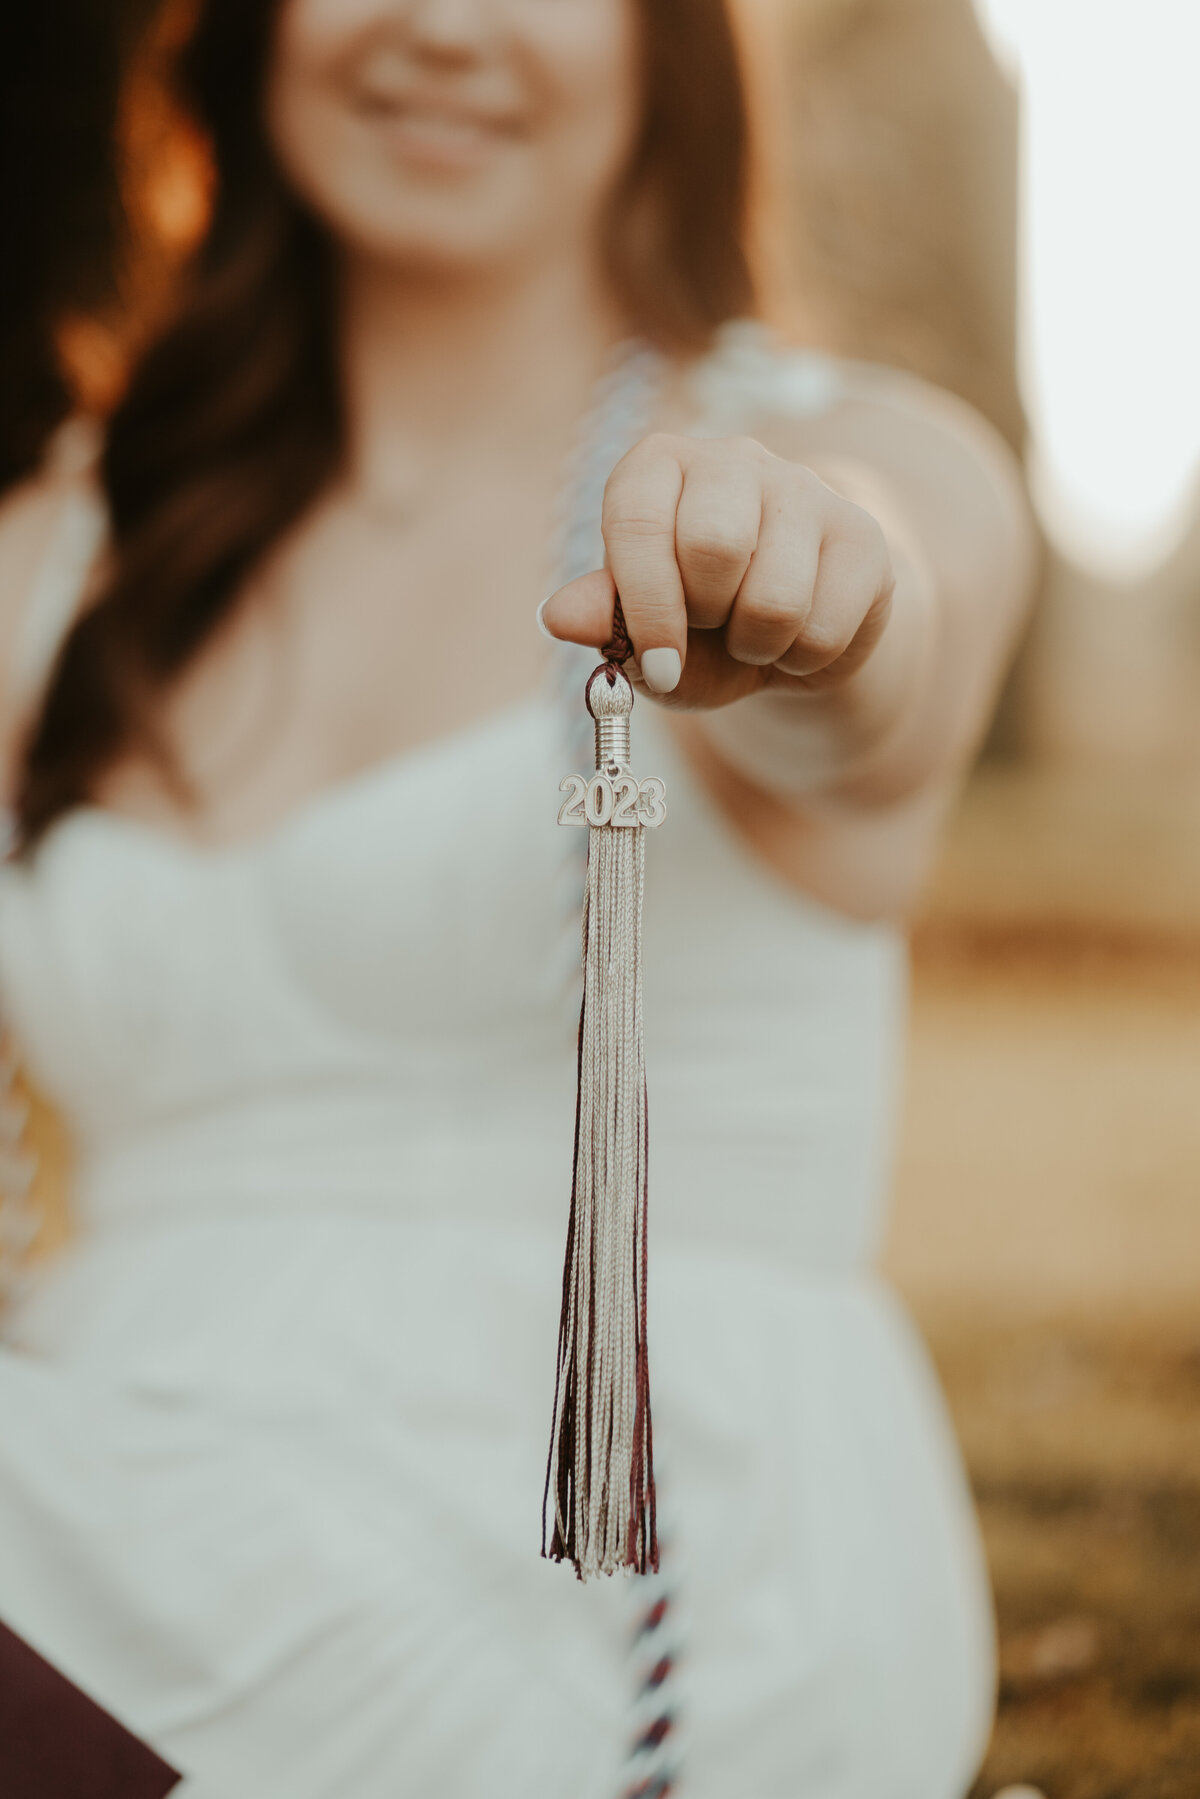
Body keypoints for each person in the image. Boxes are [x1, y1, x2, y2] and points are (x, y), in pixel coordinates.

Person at [0, 1, 1034, 1795]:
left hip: (596, 1557)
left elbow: (877, 656)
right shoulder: (69, 549)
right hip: (102, 1510)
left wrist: (804, 590)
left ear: (670, 44)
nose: (445, 26)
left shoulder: (827, 456)